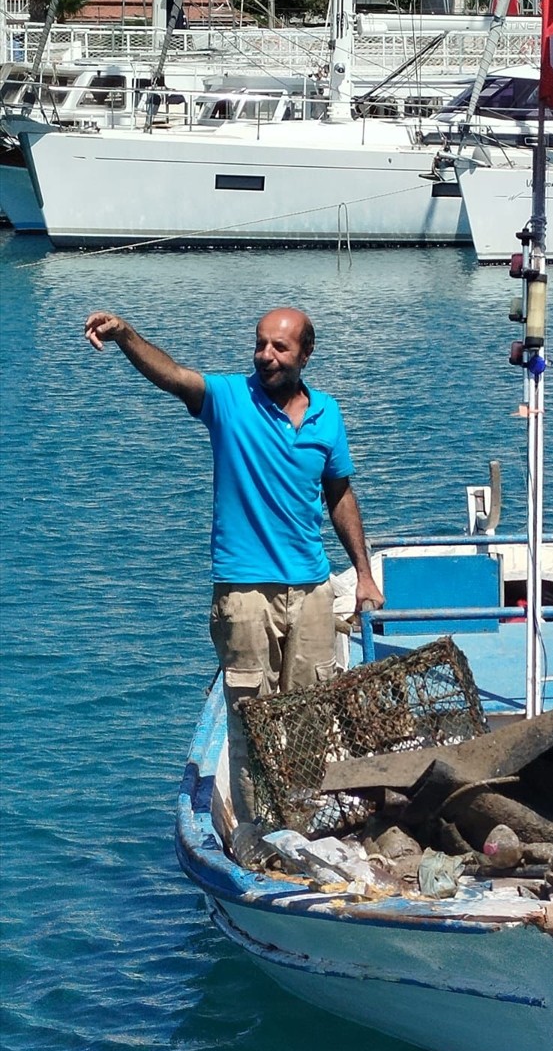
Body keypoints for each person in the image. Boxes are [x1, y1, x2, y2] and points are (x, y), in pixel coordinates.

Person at [84, 307, 384, 823]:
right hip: (244, 594)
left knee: (309, 718)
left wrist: (362, 573)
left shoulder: (327, 414)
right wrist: (127, 335)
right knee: (252, 720)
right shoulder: (228, 399)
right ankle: (257, 833)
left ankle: (303, 824)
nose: (266, 355)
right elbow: (173, 375)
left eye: (279, 348)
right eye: (260, 344)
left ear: (305, 355)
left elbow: (339, 495)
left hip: (311, 591)